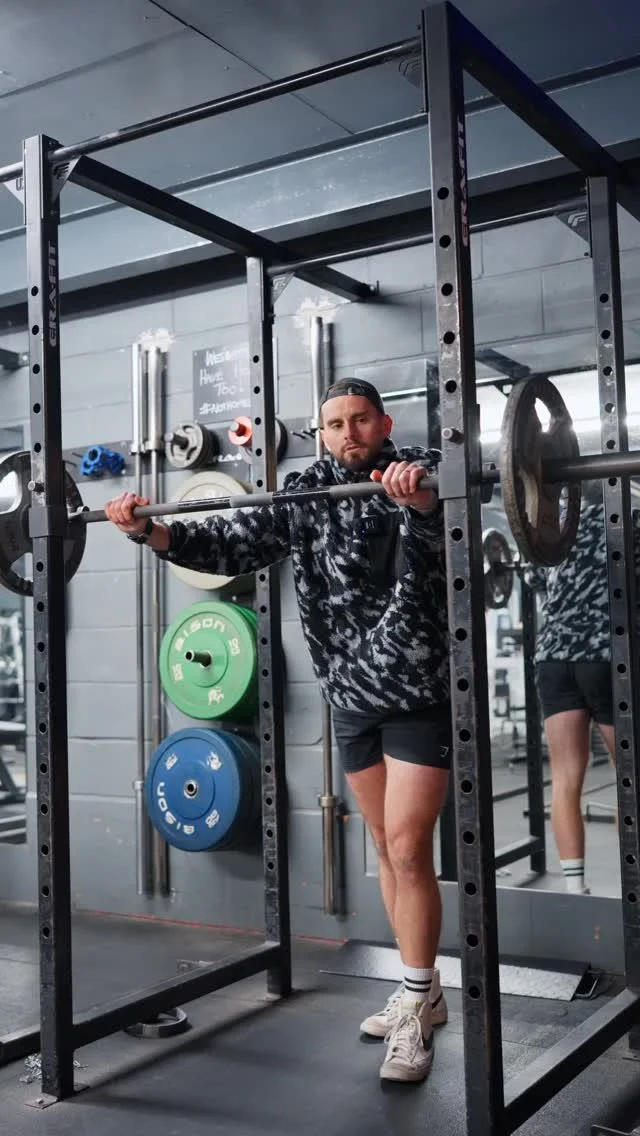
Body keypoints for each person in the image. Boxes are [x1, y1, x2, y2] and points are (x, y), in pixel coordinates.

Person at [105, 377, 452, 1084]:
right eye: (336, 424)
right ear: (322, 433)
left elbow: (449, 542)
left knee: (410, 847)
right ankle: (424, 990)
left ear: (384, 424)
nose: (349, 433)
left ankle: (415, 1008)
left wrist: (422, 504)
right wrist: (149, 531)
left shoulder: (422, 471)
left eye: (361, 420)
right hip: (349, 693)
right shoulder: (303, 493)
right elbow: (230, 546)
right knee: (385, 847)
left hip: (418, 690)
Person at [526, 481, 639, 895]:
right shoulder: (629, 520)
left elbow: (537, 582)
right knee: (628, 775)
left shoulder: (550, 529)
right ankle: (632, 890)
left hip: (554, 658)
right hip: (607, 656)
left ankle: (576, 891)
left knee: (564, 778)